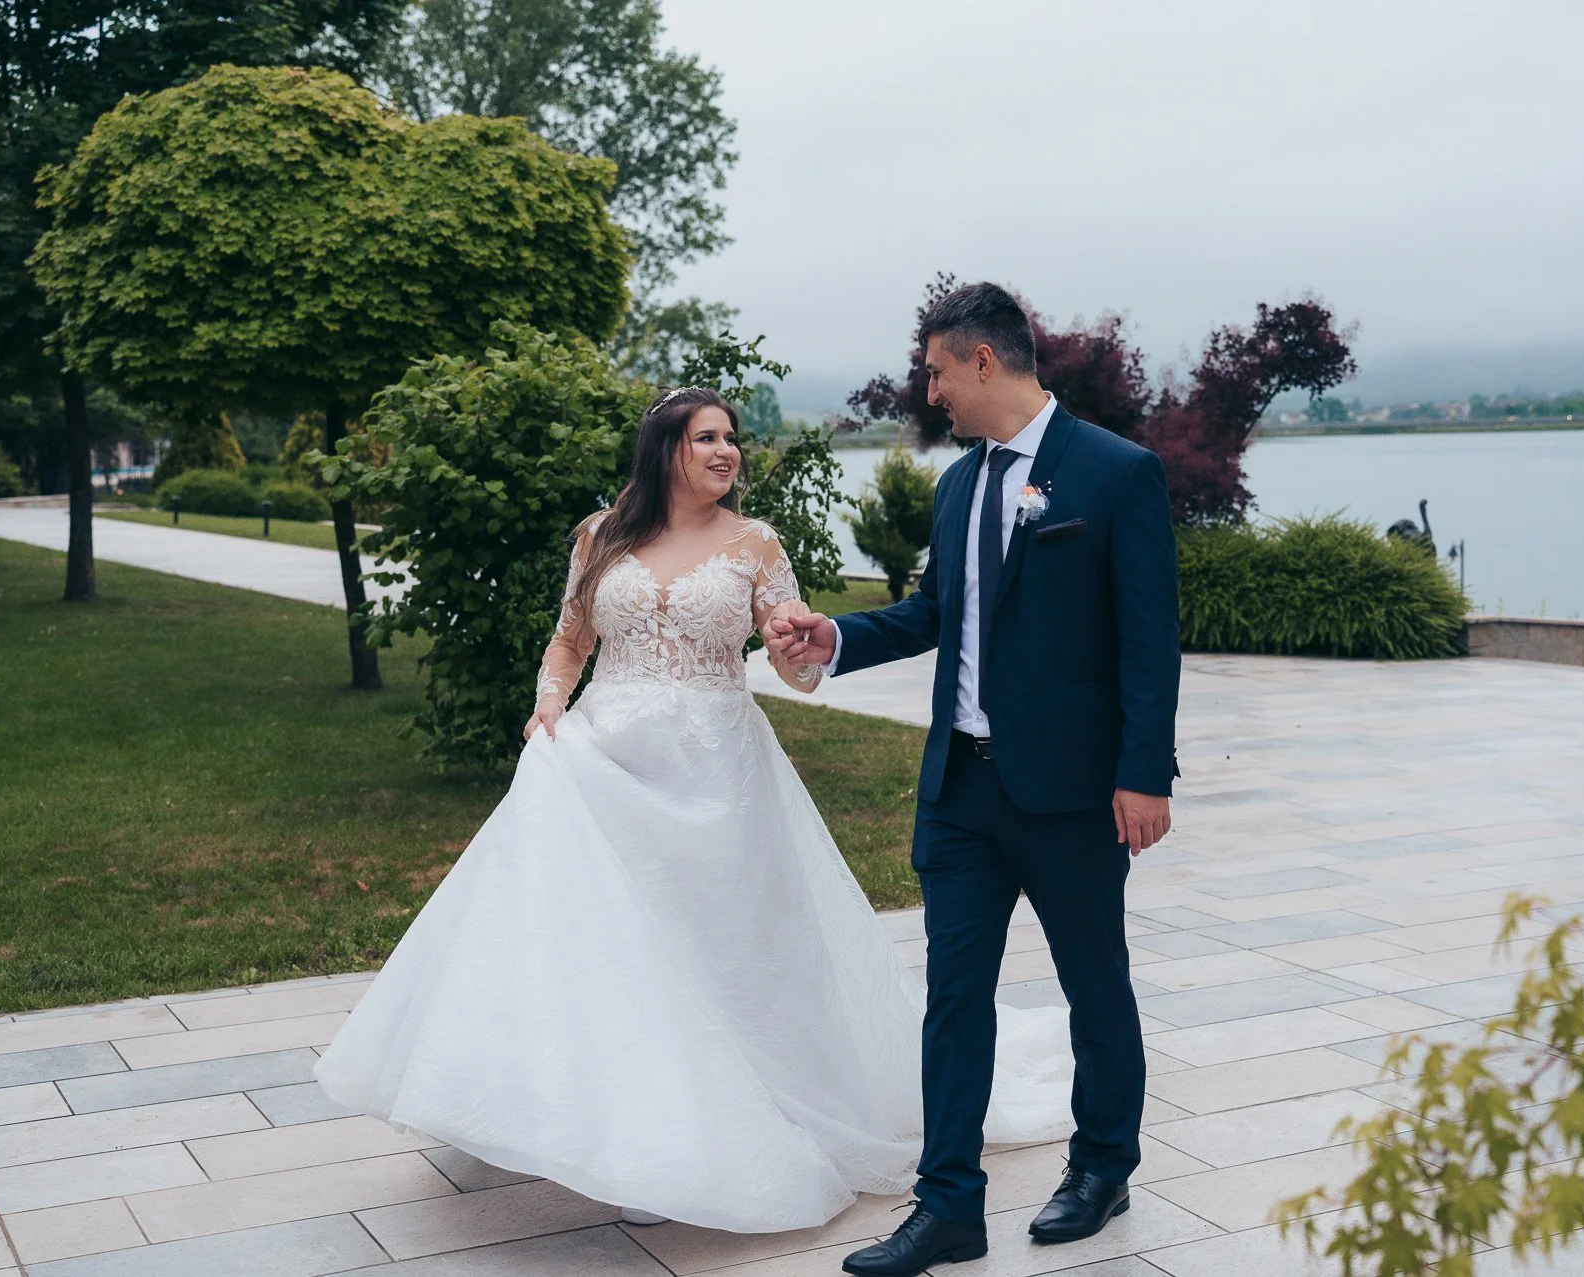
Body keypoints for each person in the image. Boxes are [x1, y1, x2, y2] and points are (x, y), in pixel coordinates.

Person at [314, 386, 1069, 1234]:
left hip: (719, 776)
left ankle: (727, 1123)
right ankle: (618, 1122)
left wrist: (798, 647)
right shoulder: (601, 536)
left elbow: (796, 667)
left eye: (732, 438)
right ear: (666, 446)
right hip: (607, 764)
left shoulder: (756, 544)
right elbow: (571, 638)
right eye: (706, 436)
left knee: (728, 953)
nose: (726, 451)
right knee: (615, 949)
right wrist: (549, 704)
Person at [768, 282, 1181, 1276]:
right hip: (960, 790)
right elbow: (930, 612)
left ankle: (1102, 1161)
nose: (932, 390)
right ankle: (948, 1202)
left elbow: (1150, 638)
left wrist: (1143, 772)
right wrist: (834, 639)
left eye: (939, 372)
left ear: (984, 361)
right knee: (955, 996)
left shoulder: (1118, 474)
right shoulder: (958, 486)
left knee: (1095, 981)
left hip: (1076, 792)